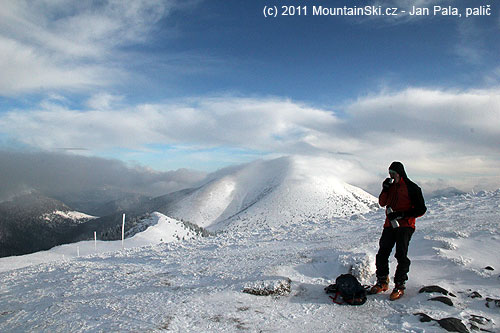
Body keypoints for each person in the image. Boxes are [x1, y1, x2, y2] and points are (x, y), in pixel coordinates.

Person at [369, 161, 426, 300]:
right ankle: (382, 281)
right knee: (382, 253)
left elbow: (421, 209)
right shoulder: (391, 187)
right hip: (389, 225)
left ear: (400, 173)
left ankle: (400, 285)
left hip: (405, 226)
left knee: (401, 255)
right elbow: (382, 202)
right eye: (390, 174)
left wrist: (402, 215)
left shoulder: (412, 188)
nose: (391, 176)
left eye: (393, 173)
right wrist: (385, 189)